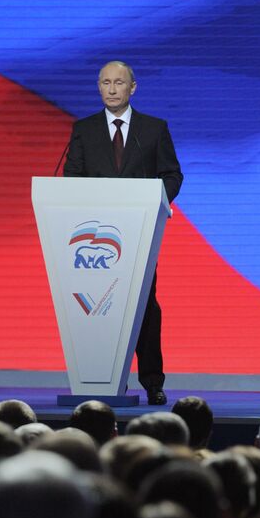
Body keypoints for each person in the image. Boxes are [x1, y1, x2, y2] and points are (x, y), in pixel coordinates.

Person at [63, 61, 183, 406]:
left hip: (139, 234)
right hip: (92, 240)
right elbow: (72, 179)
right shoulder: (83, 130)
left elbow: (172, 175)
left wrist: (155, 200)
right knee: (99, 305)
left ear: (133, 88)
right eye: (105, 82)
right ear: (99, 87)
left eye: (119, 82)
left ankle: (152, 381)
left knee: (145, 306)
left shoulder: (153, 129)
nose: (112, 89)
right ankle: (103, 379)